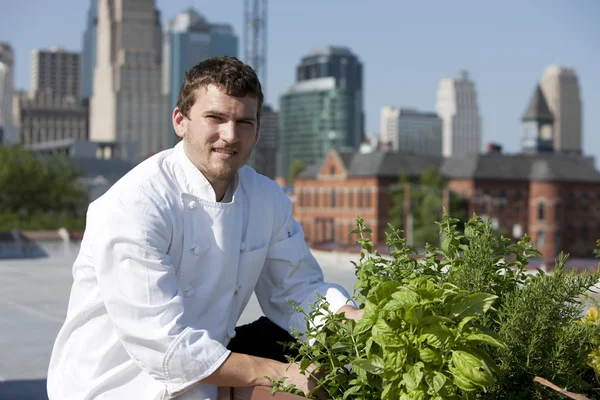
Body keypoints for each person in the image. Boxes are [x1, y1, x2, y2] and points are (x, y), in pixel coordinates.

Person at [47, 56, 362, 400]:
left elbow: (298, 290)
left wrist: (360, 325)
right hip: (117, 384)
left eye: (244, 122)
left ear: (258, 131)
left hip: (210, 365)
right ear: (180, 121)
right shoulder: (135, 204)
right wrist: (278, 372)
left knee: (326, 358)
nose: (230, 135)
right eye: (215, 117)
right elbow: (164, 346)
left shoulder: (266, 198)